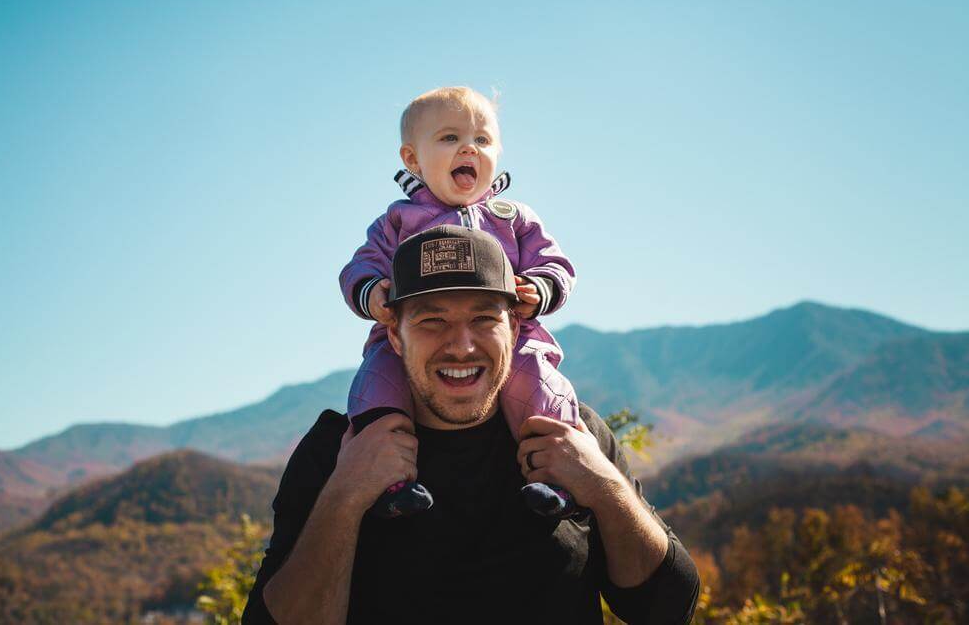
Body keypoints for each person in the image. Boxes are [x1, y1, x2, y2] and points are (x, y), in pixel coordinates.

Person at [242, 226, 701, 624]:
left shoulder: (573, 433)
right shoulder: (336, 449)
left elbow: (667, 608)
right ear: (395, 338)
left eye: (484, 318)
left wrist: (604, 486)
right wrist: (345, 495)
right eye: (431, 321)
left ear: (517, 330)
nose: (461, 347)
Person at [340, 86, 582, 518]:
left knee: (542, 390)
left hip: (513, 335)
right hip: (404, 341)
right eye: (450, 138)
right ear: (412, 159)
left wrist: (540, 288)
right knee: (378, 387)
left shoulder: (513, 218)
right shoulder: (398, 220)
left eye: (483, 140)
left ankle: (555, 482)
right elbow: (360, 267)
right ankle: (391, 485)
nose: (469, 147)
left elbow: (556, 263)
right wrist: (372, 290)